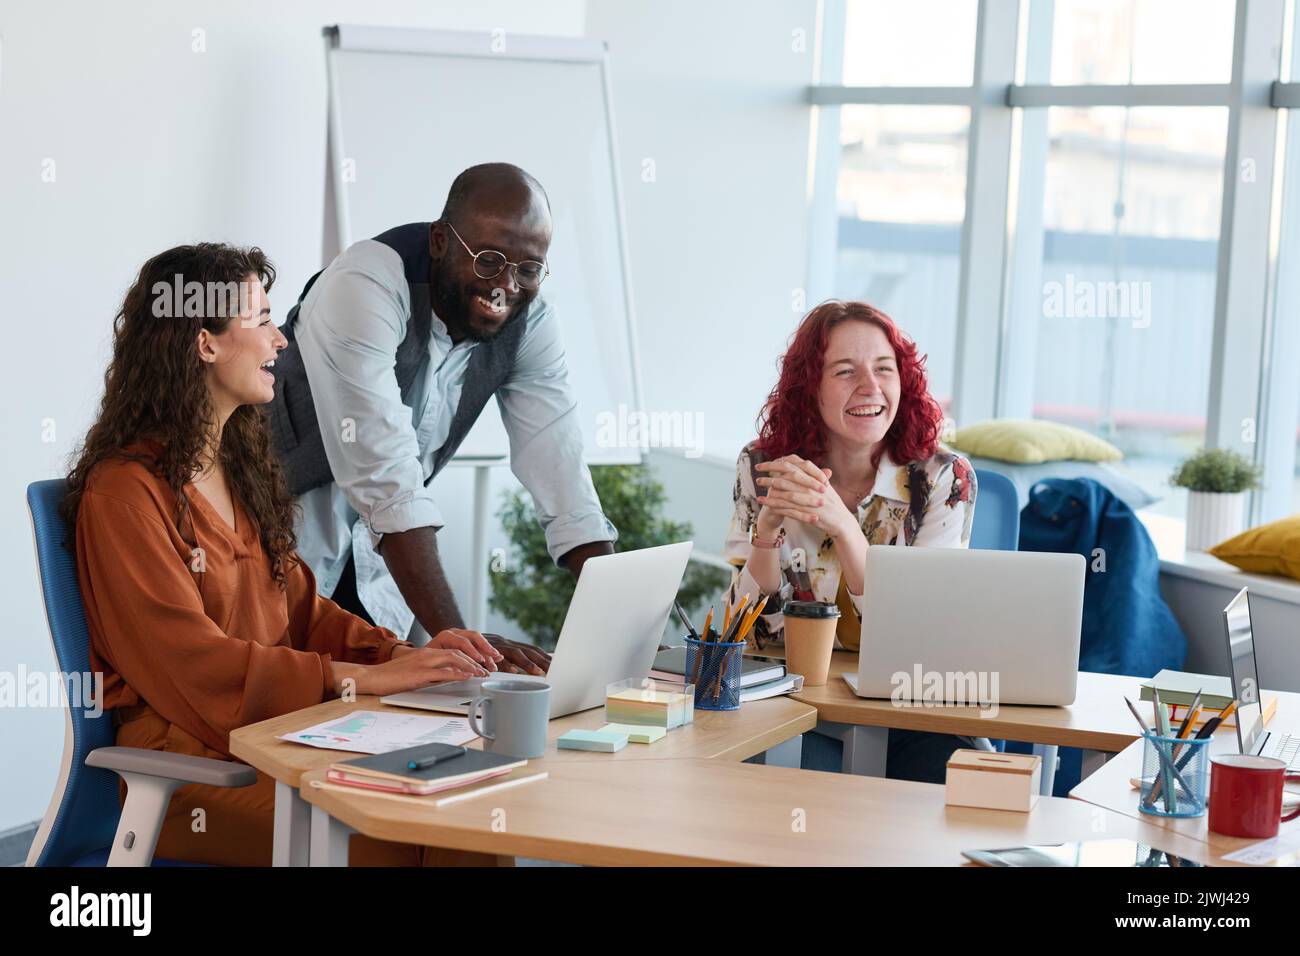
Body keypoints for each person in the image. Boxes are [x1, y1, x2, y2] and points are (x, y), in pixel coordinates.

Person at [65, 243, 506, 866]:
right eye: (263, 320)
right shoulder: (124, 495)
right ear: (205, 342)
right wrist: (363, 680)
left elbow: (304, 610)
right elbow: (193, 668)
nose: (281, 341)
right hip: (187, 768)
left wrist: (404, 655)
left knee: (469, 815)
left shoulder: (236, 471)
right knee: (399, 834)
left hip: (275, 737)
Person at [267, 163, 616, 670]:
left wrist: (616, 616)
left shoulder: (532, 320)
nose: (506, 287)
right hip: (272, 537)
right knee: (277, 714)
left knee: (382, 728)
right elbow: (386, 478)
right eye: (489, 259)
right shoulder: (365, 283)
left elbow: (560, 467)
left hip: (379, 564)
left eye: (528, 268)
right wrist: (461, 639)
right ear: (439, 241)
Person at [723, 300, 977, 782]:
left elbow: (913, 637)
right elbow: (746, 636)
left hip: (909, 716)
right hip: (791, 709)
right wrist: (766, 534)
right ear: (809, 388)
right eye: (844, 371)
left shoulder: (942, 477)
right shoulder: (762, 465)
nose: (870, 387)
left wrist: (842, 525)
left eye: (885, 369)